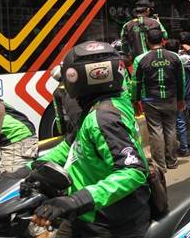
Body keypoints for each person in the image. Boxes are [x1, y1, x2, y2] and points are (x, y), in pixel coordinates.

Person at [32, 41, 151, 238]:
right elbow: (71, 144)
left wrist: (77, 201)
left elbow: (133, 171)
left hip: (108, 219)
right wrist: (33, 168)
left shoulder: (104, 118)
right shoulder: (99, 105)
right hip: (86, 212)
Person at [132, 29, 185, 170]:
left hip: (150, 100)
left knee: (156, 131)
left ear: (146, 41)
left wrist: (135, 100)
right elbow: (181, 80)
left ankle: (160, 165)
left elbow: (136, 82)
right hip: (171, 98)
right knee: (170, 128)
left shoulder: (140, 59)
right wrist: (181, 98)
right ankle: (172, 161)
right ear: (163, 41)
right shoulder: (174, 57)